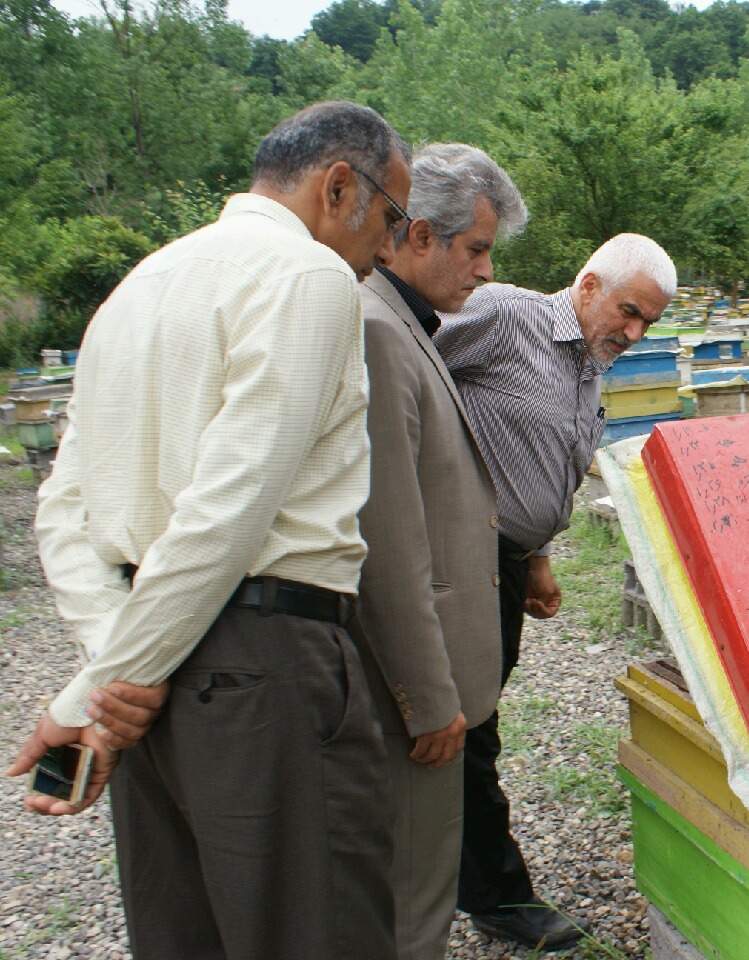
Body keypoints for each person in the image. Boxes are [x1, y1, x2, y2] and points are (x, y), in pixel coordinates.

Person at [7, 101, 410, 960]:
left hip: (148, 663)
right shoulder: (307, 278)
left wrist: (103, 686)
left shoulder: (139, 285)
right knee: (316, 931)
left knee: (184, 931)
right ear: (341, 186)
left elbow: (66, 509)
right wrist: (123, 680)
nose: (387, 250)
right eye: (393, 218)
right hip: (263, 667)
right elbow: (232, 504)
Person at [434, 233, 676, 951]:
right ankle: (494, 896)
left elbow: (542, 460)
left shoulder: (586, 364)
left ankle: (446, 868)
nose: (634, 333)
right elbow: (395, 368)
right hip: (456, 558)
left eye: (648, 325)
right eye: (629, 312)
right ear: (589, 283)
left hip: (506, 564)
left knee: (470, 717)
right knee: (462, 725)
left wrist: (538, 556)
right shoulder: (508, 317)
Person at [352, 143, 527, 960]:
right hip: (413, 691)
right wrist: (427, 696)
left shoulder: (409, 322)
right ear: (418, 234)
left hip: (431, 677)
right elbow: (387, 536)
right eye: (477, 249)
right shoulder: (381, 331)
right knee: (411, 897)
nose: (487, 271)